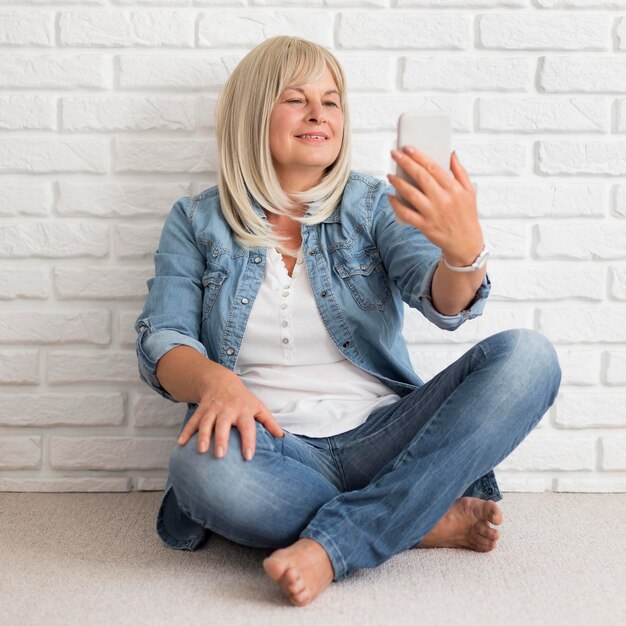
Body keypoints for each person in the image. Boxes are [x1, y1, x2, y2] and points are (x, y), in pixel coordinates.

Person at [135, 35, 561, 607]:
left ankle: (343, 536)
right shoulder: (196, 221)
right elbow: (163, 339)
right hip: (270, 444)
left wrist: (465, 254)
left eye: (331, 101)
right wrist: (216, 381)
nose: (319, 113)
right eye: (295, 98)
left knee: (529, 358)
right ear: (252, 114)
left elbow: (443, 302)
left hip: (382, 436)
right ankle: (411, 517)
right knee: (199, 469)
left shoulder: (371, 204)